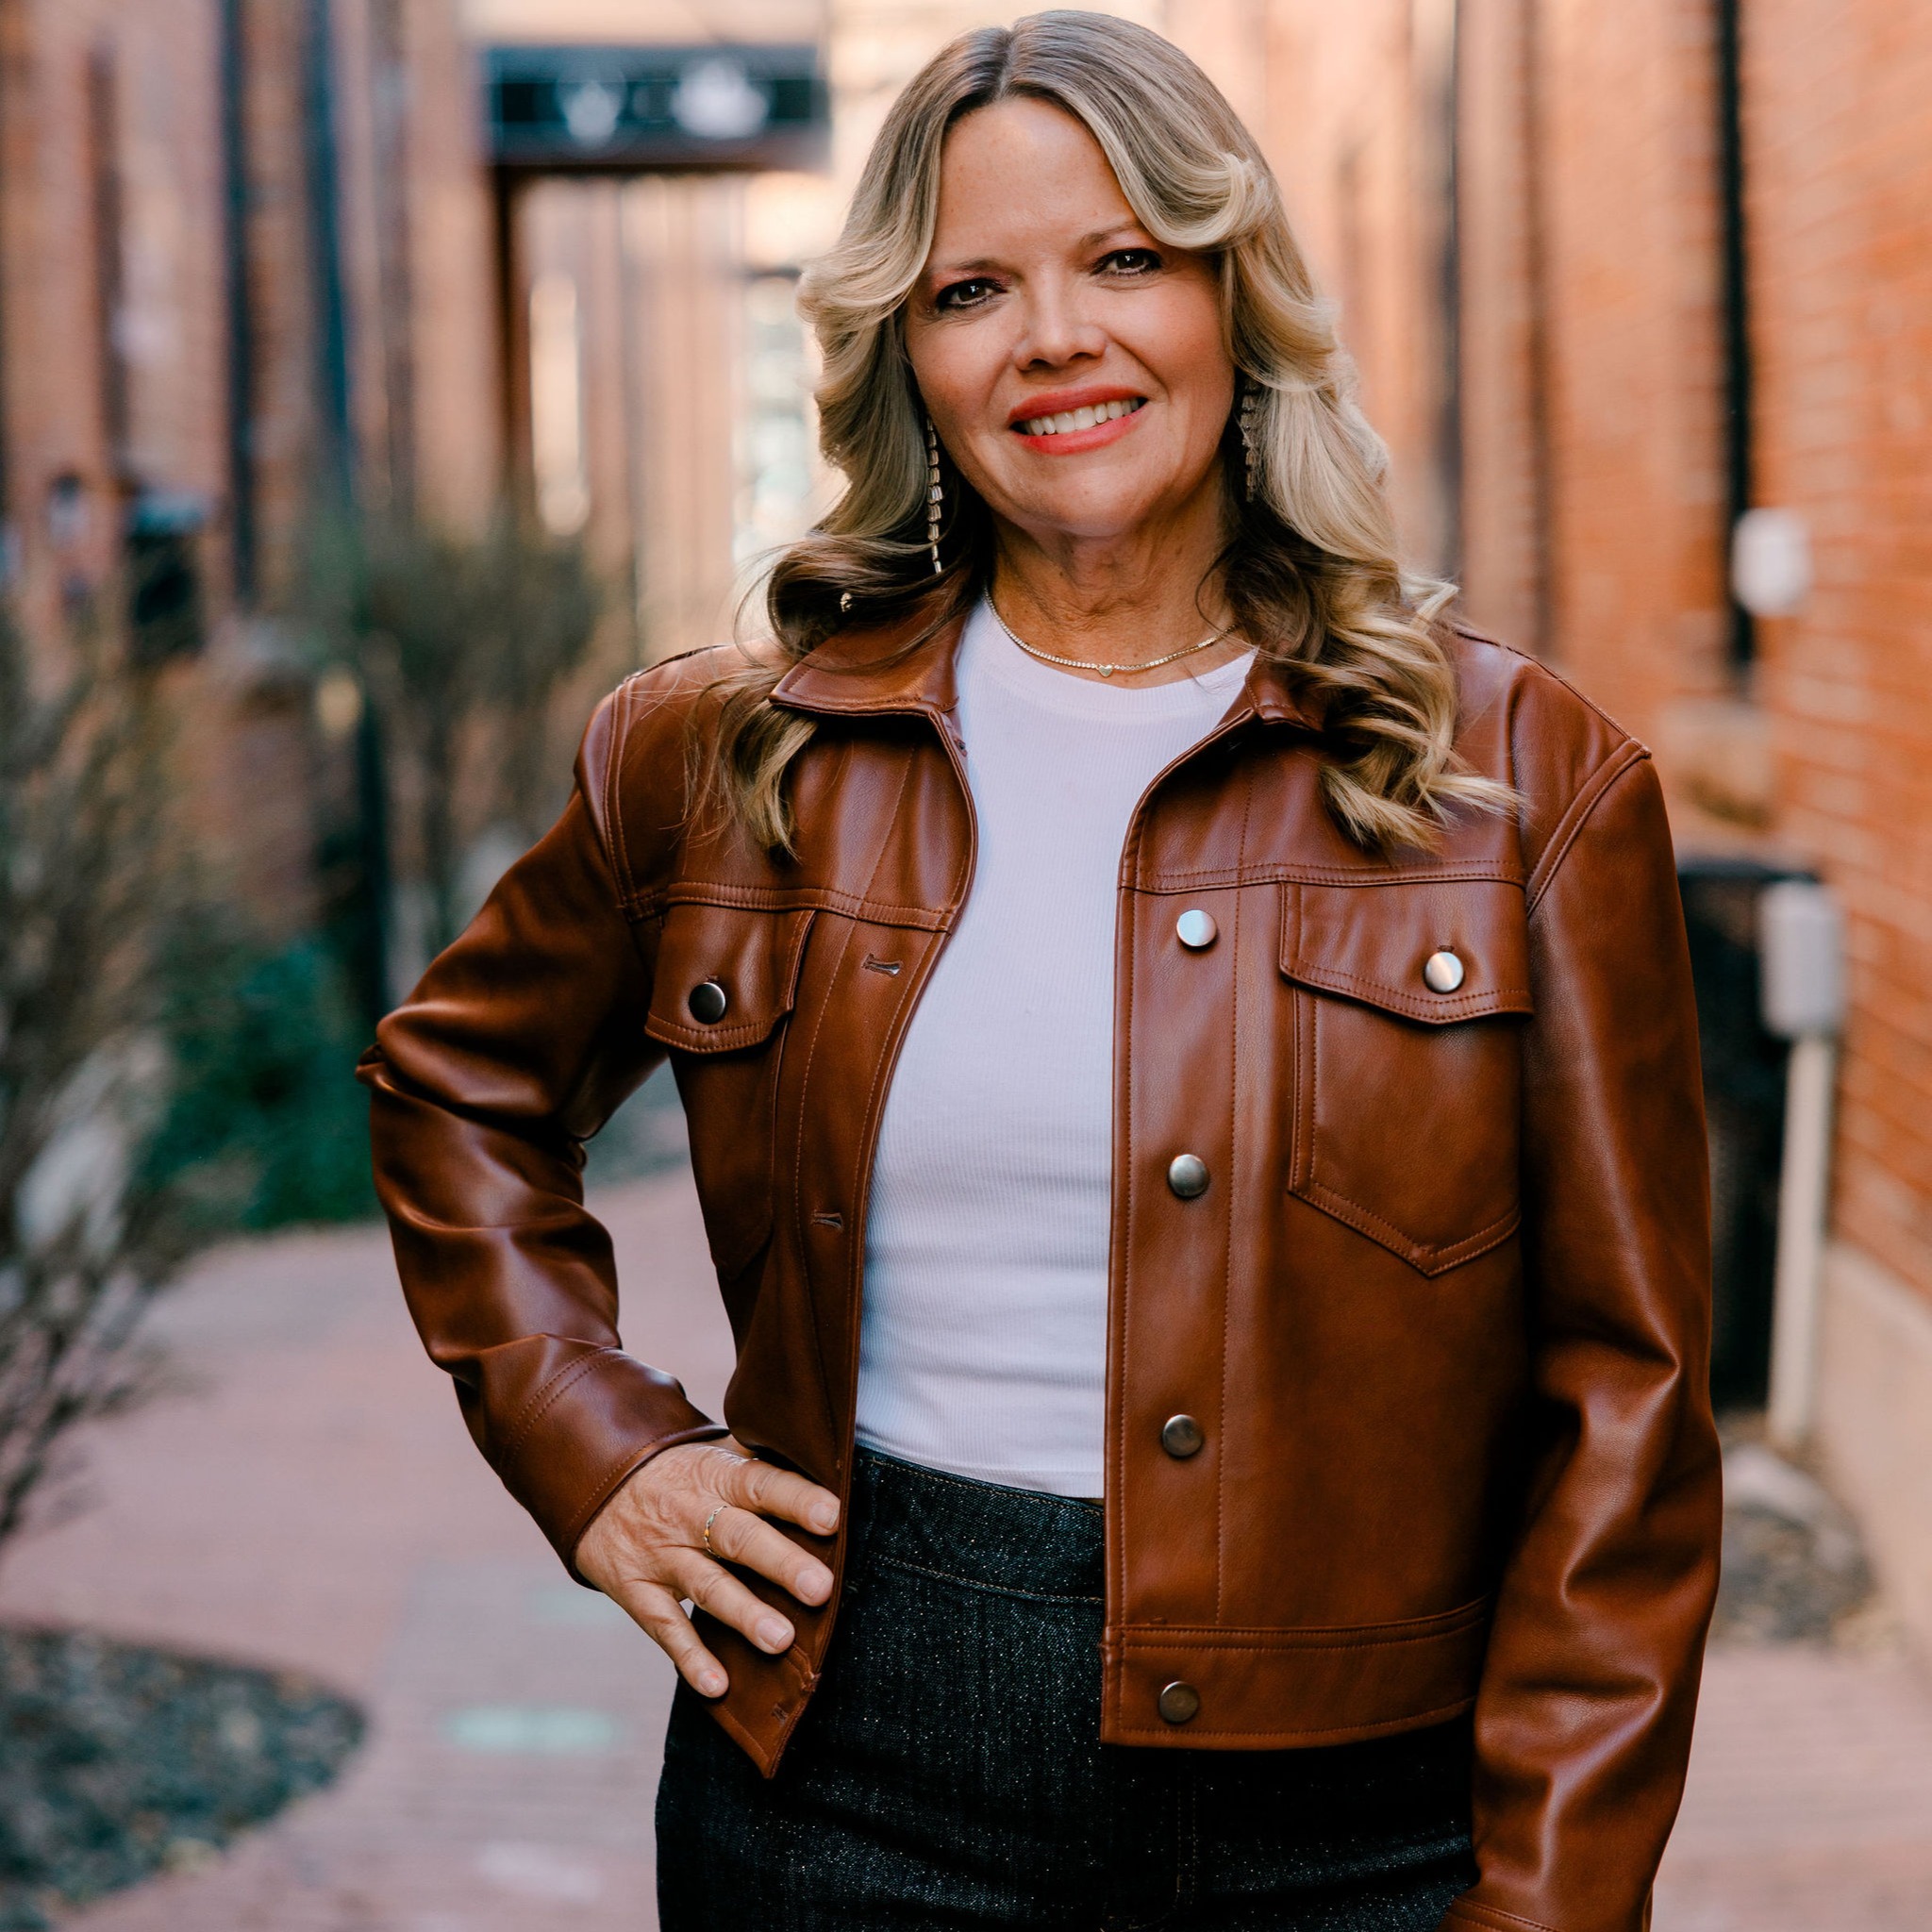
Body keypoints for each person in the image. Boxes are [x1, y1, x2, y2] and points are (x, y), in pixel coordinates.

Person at [360, 13, 1721, 1929]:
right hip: (850, 1788)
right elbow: (456, 1086)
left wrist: (1555, 1888)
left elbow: (1631, 1399)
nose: (1053, 338)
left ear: (1232, 293)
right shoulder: (730, 755)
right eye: (973, 287)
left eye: (1124, 260)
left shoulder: (1519, 784)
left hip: (1378, 1820)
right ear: (908, 356)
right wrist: (597, 1452)